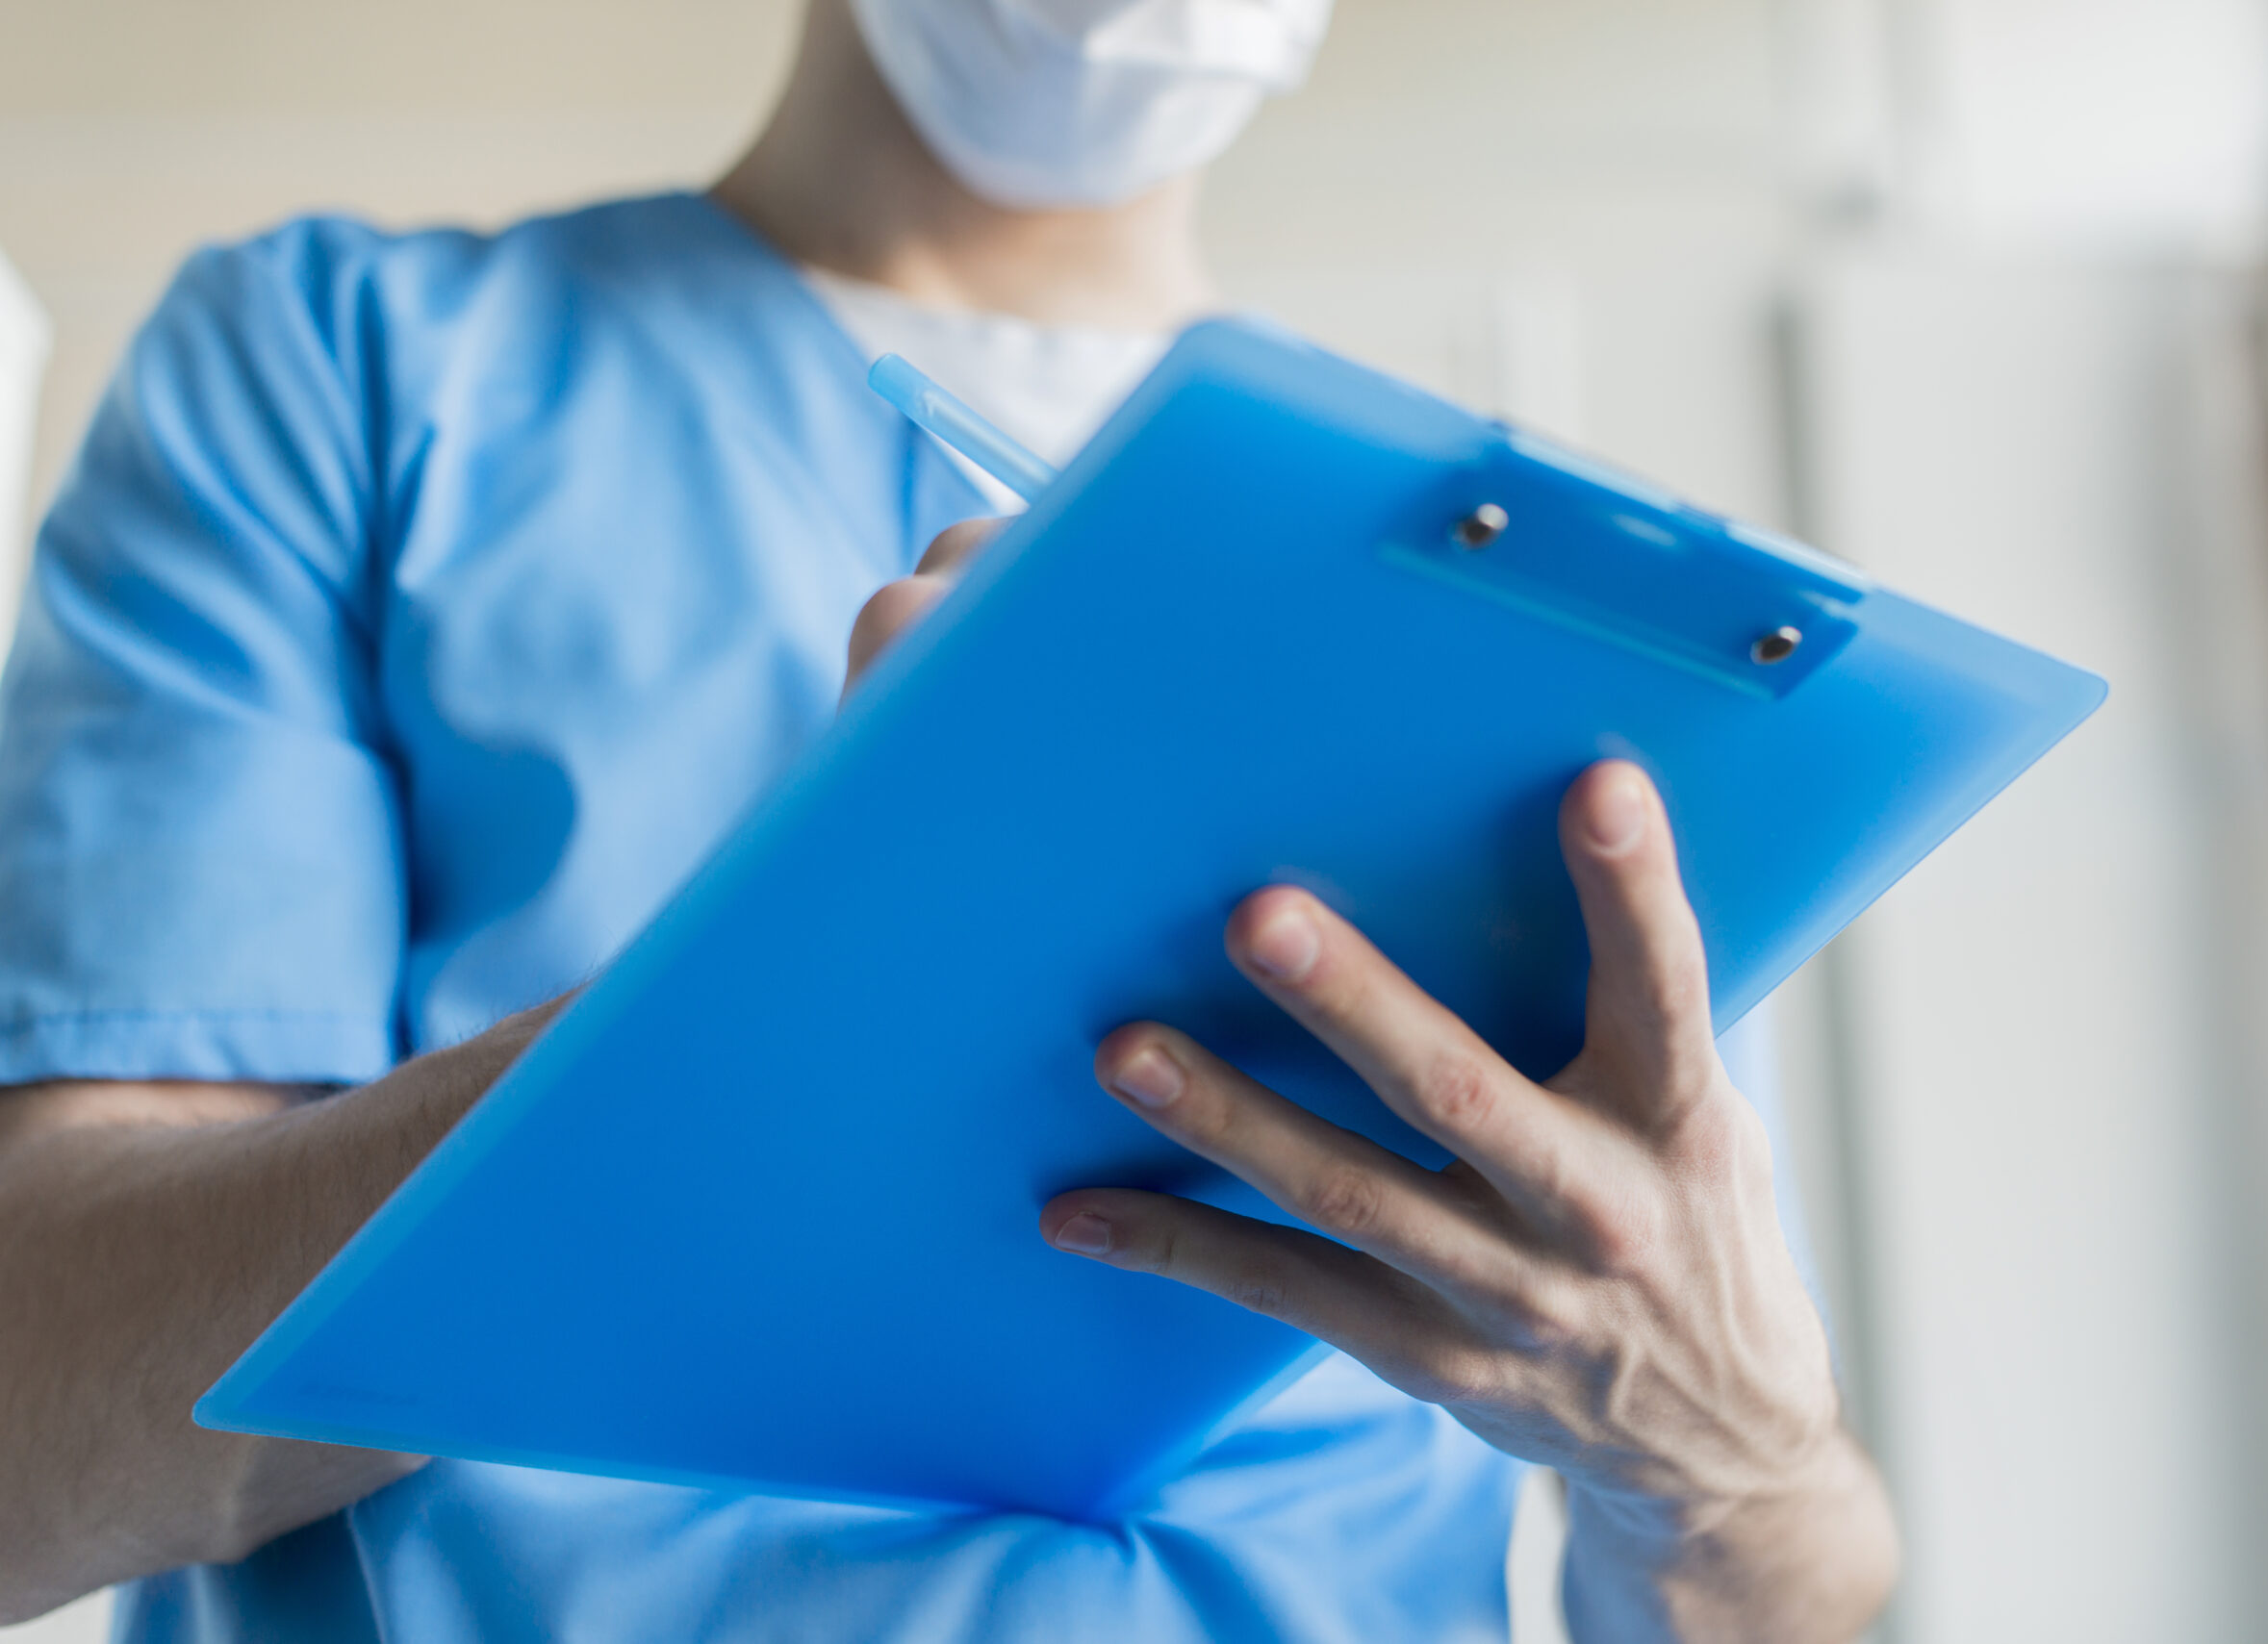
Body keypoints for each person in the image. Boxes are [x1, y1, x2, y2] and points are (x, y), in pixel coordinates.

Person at [0, 1, 1898, 1638]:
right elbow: (33, 1424)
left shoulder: (1550, 606)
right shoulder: (349, 371)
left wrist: (1735, 1472)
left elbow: (1751, 1557)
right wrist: (776, 1019)